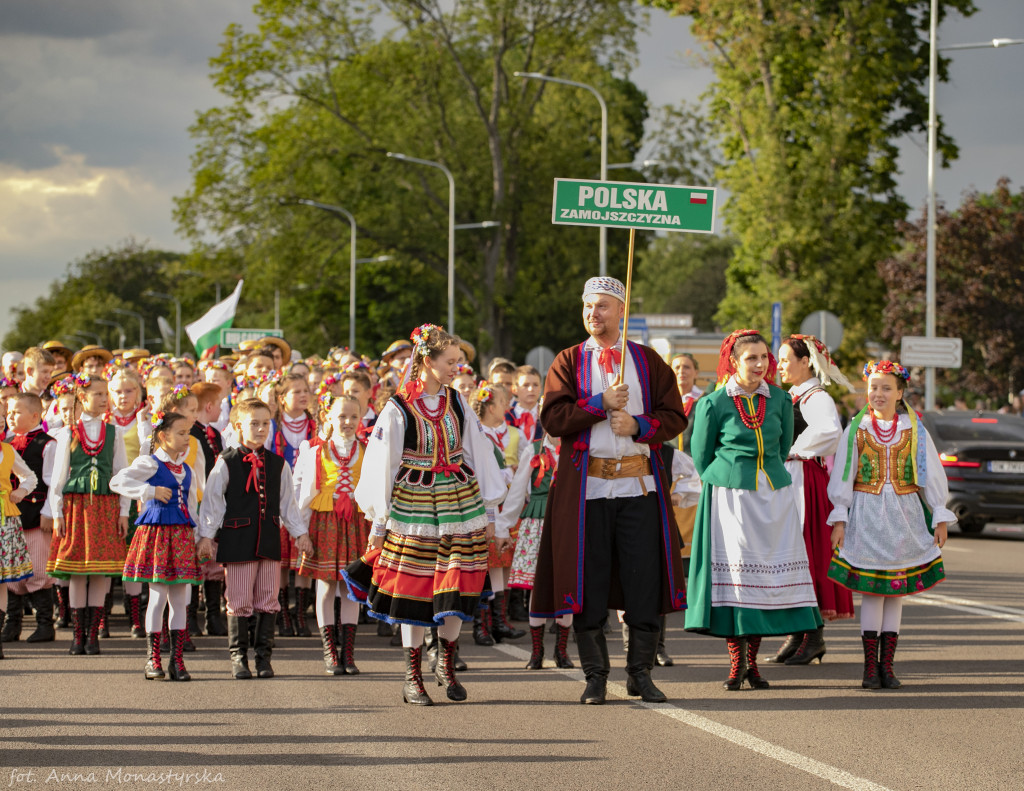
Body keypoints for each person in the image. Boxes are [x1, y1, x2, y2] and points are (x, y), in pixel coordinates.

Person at [531, 276, 687, 705]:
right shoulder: (567, 360)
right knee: (589, 582)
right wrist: (600, 404)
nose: (592, 315)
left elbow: (674, 417)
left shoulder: (648, 361)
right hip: (587, 493)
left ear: (621, 309)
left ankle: (641, 673)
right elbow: (554, 419)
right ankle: (596, 676)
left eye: (601, 306)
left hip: (639, 488)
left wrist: (639, 425)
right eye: (587, 307)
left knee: (642, 582)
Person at [343, 324, 506, 706]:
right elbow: (382, 465)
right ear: (426, 361)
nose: (457, 368)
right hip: (413, 507)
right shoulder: (397, 408)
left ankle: (446, 663)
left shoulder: (456, 402)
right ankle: (411, 675)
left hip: (458, 504)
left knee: (456, 582)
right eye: (450, 361)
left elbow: (477, 454)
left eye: (459, 361)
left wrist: (491, 514)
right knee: (414, 588)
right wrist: (379, 523)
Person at [684, 330, 822, 690]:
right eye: (751, 358)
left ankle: (754, 664)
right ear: (734, 361)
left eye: (764, 358)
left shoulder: (779, 399)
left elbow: (782, 445)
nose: (760, 364)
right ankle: (737, 663)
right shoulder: (713, 403)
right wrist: (727, 477)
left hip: (773, 496)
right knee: (738, 582)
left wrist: (767, 478)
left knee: (763, 580)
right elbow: (702, 455)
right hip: (731, 497)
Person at [827, 360, 953, 690]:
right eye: (873, 387)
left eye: (886, 388)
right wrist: (840, 517)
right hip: (867, 515)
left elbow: (929, 473)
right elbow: (843, 472)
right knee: (872, 591)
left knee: (896, 592)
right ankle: (870, 668)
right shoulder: (857, 428)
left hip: (905, 515)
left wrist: (939, 513)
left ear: (900, 393)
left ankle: (888, 666)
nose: (878, 393)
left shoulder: (915, 429)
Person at [197, 398, 312, 679]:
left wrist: (300, 534)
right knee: (238, 599)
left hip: (269, 540)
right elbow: (213, 503)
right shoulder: (226, 462)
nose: (261, 429)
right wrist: (206, 536)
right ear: (238, 426)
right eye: (254, 423)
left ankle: (263, 658)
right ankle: (239, 658)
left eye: (265, 424)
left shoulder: (278, 464)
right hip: (237, 541)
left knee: (268, 598)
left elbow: (288, 505)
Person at [769, 334, 856, 666]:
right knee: (793, 553)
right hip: (791, 479)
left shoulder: (816, 397)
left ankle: (813, 634)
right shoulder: (793, 395)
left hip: (804, 480)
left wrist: (792, 449)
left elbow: (830, 432)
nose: (781, 365)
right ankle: (799, 632)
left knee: (806, 554)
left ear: (806, 362)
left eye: (786, 359)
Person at [110, 412, 201, 681]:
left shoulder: (186, 469)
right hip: (158, 534)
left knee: (180, 600)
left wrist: (197, 539)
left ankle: (177, 660)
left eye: (188, 433)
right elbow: (117, 482)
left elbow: (192, 507)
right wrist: (149, 492)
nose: (187, 438)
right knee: (158, 596)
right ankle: (153, 658)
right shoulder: (150, 463)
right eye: (182, 433)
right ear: (163, 436)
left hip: (181, 535)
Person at [47, 373, 130, 656]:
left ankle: (93, 635)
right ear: (82, 397)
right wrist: (57, 512)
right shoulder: (68, 432)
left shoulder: (114, 431)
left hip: (105, 507)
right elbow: (58, 479)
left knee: (98, 571)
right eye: (97, 394)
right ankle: (77, 635)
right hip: (76, 508)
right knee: (76, 572)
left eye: (105, 394)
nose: (104, 399)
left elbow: (120, 474)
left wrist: (124, 510)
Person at [294, 394, 369, 675]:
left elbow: (377, 491)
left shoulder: (368, 450)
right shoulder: (314, 451)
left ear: (360, 418)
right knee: (325, 586)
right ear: (328, 417)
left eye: (353, 417)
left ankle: (348, 652)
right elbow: (302, 492)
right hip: (325, 523)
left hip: (356, 524)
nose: (347, 422)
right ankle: (329, 650)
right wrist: (301, 532)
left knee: (351, 589)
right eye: (341, 416)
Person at [500, 432, 574, 670]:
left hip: (566, 520)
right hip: (536, 523)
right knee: (536, 586)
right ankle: (537, 651)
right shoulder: (533, 450)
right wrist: (504, 526)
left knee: (565, 585)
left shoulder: (576, 446)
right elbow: (518, 490)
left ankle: (561, 651)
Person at [2, 394, 57, 644]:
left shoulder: (47, 444)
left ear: (35, 416)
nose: (10, 417)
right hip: (11, 521)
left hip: (36, 517)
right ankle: (12, 624)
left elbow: (52, 482)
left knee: (37, 569)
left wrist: (49, 512)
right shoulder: (9, 444)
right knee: (13, 572)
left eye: (16, 412)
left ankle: (45, 624)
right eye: (9, 413)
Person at [0, 395, 39, 658]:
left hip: (5, 518)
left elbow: (30, 476)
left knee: (2, 581)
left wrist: (21, 491)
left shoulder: (8, 450)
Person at [190, 382, 228, 636]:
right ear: (209, 405)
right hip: (196, 500)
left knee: (213, 558)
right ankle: (191, 615)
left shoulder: (214, 434)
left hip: (214, 501)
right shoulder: (189, 433)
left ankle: (213, 616)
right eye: (219, 403)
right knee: (194, 558)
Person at [670, 353, 702, 452]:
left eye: (686, 367)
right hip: (668, 462)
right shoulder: (663, 401)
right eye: (677, 367)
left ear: (696, 373)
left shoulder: (704, 400)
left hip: (695, 462)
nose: (681, 371)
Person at [507, 365, 544, 442]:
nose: (531, 389)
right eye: (525, 385)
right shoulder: (507, 415)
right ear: (514, 389)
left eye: (535, 385)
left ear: (540, 388)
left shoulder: (545, 414)